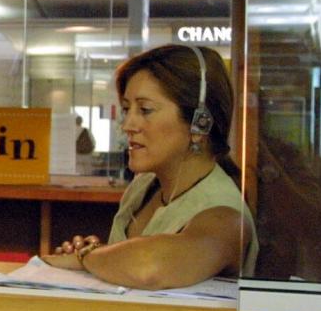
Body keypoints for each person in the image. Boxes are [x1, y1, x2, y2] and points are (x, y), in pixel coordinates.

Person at [42, 44, 256, 289]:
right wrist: (103, 258)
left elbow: (149, 267)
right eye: (126, 109)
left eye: (145, 110)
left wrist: (85, 257)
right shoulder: (143, 186)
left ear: (200, 124)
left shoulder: (226, 216)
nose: (128, 125)